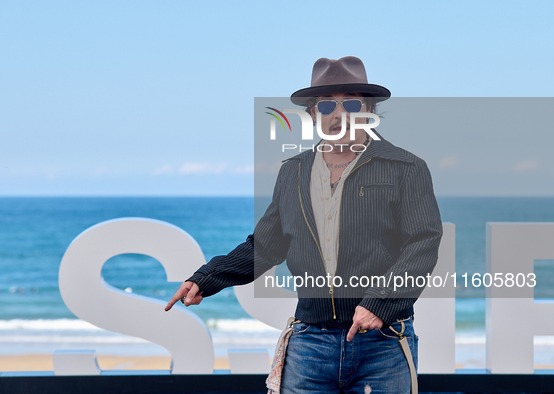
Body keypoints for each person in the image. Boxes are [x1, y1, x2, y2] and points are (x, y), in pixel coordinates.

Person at [165, 56, 443, 394]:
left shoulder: (406, 167)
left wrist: (380, 303)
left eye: (352, 103)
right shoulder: (293, 172)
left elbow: (423, 243)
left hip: (383, 342)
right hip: (310, 344)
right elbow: (265, 247)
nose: (339, 114)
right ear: (312, 114)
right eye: (327, 106)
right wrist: (206, 279)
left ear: (369, 110)